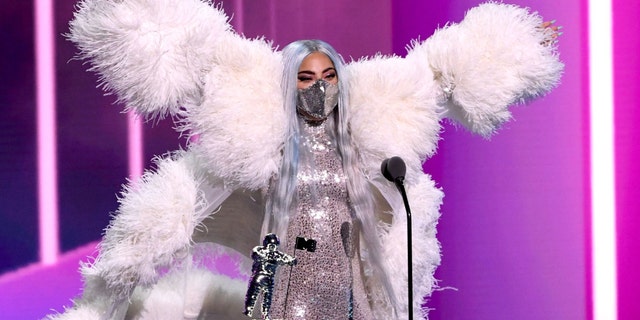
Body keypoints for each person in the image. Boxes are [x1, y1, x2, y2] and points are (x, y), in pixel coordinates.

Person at [50, 1, 562, 319]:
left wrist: (517, 48)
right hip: (286, 283)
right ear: (289, 84)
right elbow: (198, 56)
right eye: (305, 77)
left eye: (327, 77)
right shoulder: (272, 143)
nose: (319, 87)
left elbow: (442, 75)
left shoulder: (362, 140)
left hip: (347, 284)